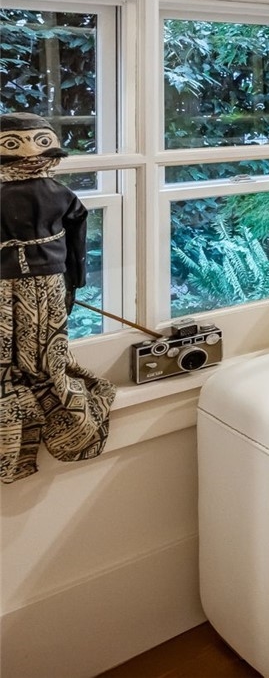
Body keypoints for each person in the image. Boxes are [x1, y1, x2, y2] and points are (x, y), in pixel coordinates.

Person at [0, 112, 115, 483]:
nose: (32, 154)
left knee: (46, 344)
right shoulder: (57, 193)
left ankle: (41, 395)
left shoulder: (59, 193)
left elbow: (76, 236)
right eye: (16, 144)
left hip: (46, 277)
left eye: (40, 142)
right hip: (17, 279)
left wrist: (75, 279)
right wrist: (75, 278)